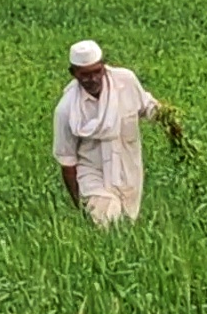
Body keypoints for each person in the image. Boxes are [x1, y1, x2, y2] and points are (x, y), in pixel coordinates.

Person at [52, 40, 160, 227]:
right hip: (92, 175)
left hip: (128, 170)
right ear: (73, 73)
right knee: (108, 218)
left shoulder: (125, 82)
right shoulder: (67, 110)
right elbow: (67, 161)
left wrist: (171, 123)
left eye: (97, 71)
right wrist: (79, 204)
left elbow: (147, 106)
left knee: (127, 224)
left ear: (104, 66)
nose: (92, 79)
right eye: (85, 75)